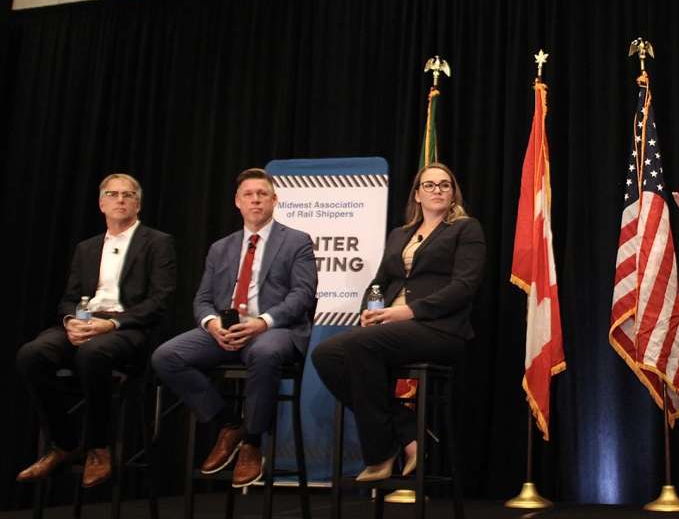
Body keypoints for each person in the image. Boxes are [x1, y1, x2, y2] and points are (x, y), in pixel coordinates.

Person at [310, 162, 485, 482]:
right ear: (417, 194)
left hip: (439, 329)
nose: (437, 190)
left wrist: (408, 311)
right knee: (325, 354)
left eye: (444, 185)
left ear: (453, 193)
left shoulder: (465, 229)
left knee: (359, 347)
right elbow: (379, 283)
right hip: (390, 327)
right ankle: (407, 432)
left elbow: (463, 288)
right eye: (429, 185)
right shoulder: (400, 234)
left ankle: (380, 454)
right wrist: (369, 311)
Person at [152, 168, 317, 488]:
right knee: (166, 357)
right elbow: (202, 299)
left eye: (262, 194)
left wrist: (262, 323)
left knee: (265, 353)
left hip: (274, 329)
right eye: (248, 195)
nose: (255, 200)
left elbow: (302, 296)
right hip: (226, 331)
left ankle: (252, 442)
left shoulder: (296, 241)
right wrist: (211, 323)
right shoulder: (221, 248)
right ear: (237, 202)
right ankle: (229, 424)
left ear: (274, 200)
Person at [16, 174, 177, 488]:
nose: (120, 200)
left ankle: (98, 446)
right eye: (112, 194)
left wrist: (112, 323)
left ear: (138, 204)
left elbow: (159, 302)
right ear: (101, 204)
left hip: (129, 327)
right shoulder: (87, 248)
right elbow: (70, 298)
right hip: (87, 321)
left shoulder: (158, 242)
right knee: (31, 355)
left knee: (92, 353)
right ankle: (63, 443)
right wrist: (71, 321)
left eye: (128, 195)